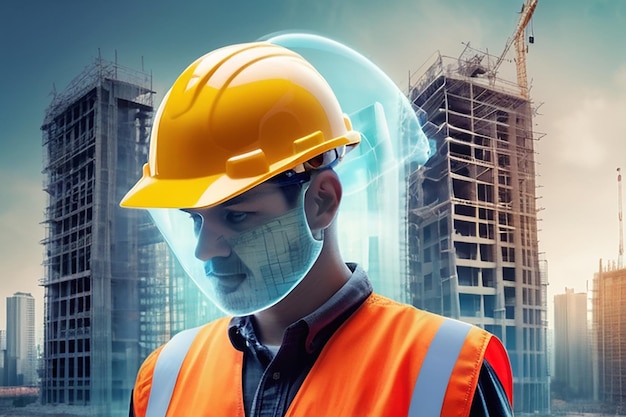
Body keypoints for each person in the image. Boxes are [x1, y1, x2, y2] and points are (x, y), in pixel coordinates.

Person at [121, 38, 514, 417]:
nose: (205, 250)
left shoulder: (450, 376)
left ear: (322, 201)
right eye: (195, 219)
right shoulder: (162, 381)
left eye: (236, 215)